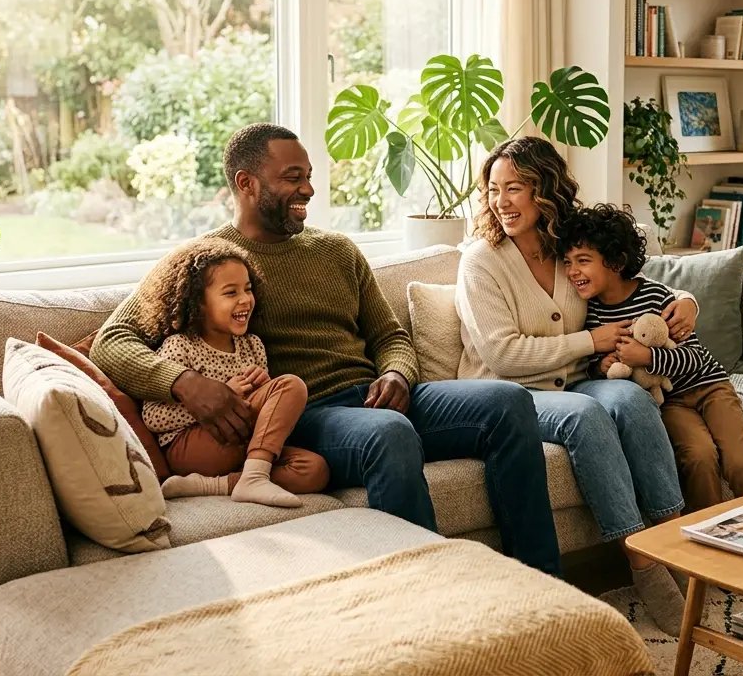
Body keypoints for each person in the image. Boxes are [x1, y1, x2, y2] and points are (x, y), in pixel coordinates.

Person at [93, 123, 562, 576]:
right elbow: (112, 341)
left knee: (508, 402)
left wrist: (398, 373)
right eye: (293, 177)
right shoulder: (208, 261)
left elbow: (389, 336)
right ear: (246, 183)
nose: (309, 190)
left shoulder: (337, 250)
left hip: (377, 396)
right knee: (389, 434)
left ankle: (539, 580)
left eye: (310, 176)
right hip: (305, 413)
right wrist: (185, 384)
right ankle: (424, 594)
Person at [452, 135, 694, 636]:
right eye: (493, 189)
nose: (501, 201)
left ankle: (671, 541)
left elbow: (636, 279)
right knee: (585, 417)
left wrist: (687, 301)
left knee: (629, 397)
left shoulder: (569, 245)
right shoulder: (481, 260)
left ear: (544, 190)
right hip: (508, 395)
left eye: (514, 188)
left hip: (579, 383)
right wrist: (590, 339)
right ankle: (641, 562)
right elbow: (504, 355)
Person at [559, 204, 743, 512]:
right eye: (567, 262)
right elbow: (594, 365)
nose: (572, 271)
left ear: (615, 262)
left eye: (583, 261)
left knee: (740, 459)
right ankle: (710, 539)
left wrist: (646, 356)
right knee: (697, 457)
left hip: (710, 387)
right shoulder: (589, 314)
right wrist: (600, 367)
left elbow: (693, 358)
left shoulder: (656, 297)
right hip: (668, 402)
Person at [135, 237, 328, 507]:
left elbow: (262, 417)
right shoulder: (180, 346)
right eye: (230, 292)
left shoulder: (252, 346)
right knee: (291, 385)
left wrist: (264, 390)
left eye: (247, 289)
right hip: (192, 446)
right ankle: (254, 477)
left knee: (313, 470)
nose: (245, 300)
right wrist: (225, 395)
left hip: (241, 445)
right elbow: (154, 418)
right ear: (198, 303)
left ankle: (219, 484)